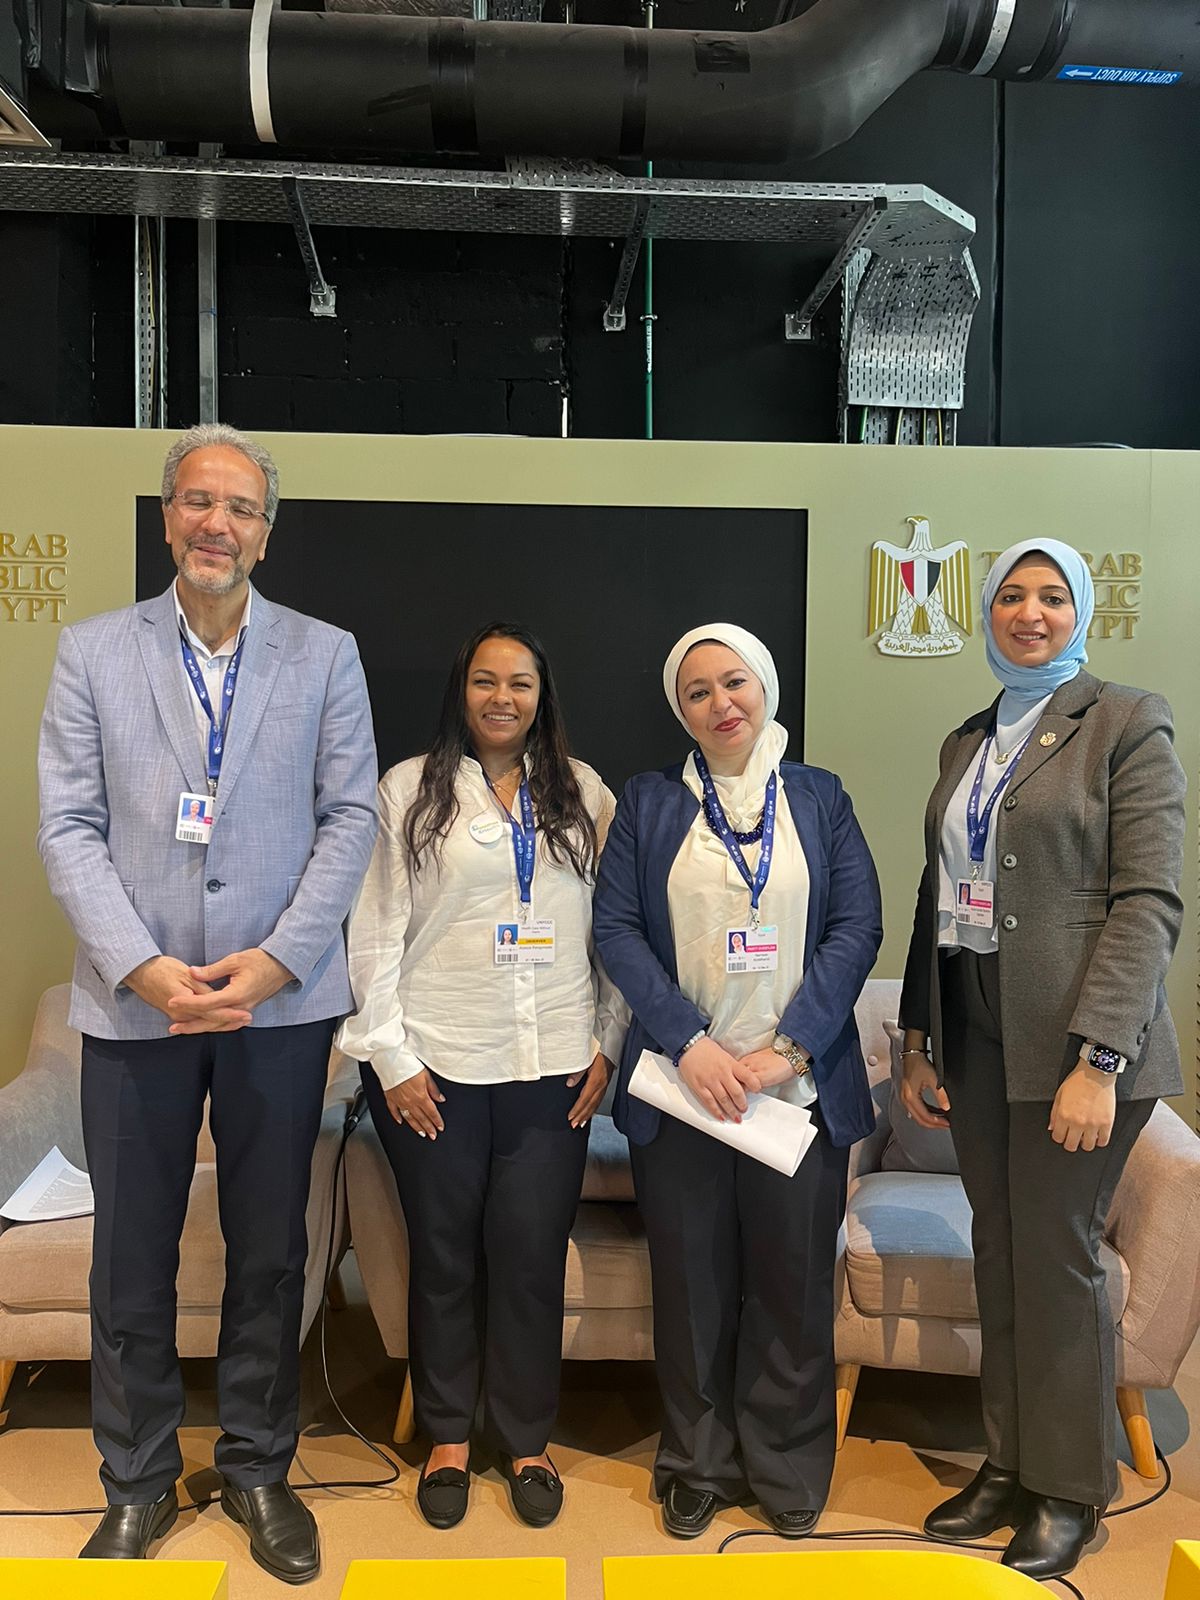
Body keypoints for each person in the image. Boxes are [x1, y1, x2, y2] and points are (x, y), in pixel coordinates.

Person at [37, 423, 378, 1581]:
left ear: (265, 535)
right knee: (129, 1253)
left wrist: (277, 960)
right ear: (166, 517)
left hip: (277, 1008)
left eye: (238, 507)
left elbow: (351, 819)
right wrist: (141, 964)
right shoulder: (95, 652)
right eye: (196, 501)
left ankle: (257, 1468)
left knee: (270, 1249)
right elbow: (68, 825)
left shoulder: (325, 655)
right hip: (136, 1006)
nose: (215, 523)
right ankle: (135, 1479)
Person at [898, 540, 1185, 1581]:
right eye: (1012, 596)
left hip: (1074, 1044)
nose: (1030, 612)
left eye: (1052, 596)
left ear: (1081, 610)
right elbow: (939, 895)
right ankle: (1010, 1462)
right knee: (1002, 1253)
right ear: (987, 613)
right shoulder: (967, 738)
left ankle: (1069, 1488)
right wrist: (919, 1038)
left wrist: (1099, 1059)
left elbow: (1148, 901)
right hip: (976, 1033)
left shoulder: (1127, 720)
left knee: (1059, 1261)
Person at [592, 623, 882, 1538]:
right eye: (698, 692)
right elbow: (616, 931)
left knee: (793, 1290)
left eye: (734, 683)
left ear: (764, 687)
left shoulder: (821, 798)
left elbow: (857, 928)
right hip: (687, 1092)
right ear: (680, 711)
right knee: (692, 1289)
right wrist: (691, 1043)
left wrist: (790, 1050)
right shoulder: (648, 804)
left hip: (794, 1095)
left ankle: (787, 1466)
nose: (720, 704)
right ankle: (697, 1464)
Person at [337, 621, 625, 1531]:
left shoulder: (583, 792)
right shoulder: (407, 790)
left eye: (521, 683)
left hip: (555, 1065)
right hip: (435, 1066)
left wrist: (609, 1041)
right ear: (461, 691)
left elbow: (616, 930)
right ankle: (450, 1438)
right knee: (445, 1256)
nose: (503, 698)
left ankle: (528, 1440)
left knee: (532, 1257)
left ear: (544, 696)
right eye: (486, 681)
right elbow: (373, 929)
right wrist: (390, 1057)